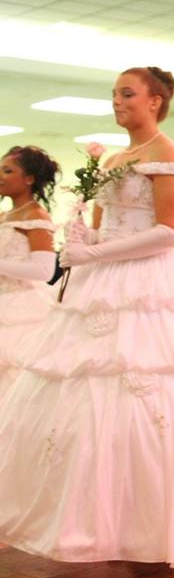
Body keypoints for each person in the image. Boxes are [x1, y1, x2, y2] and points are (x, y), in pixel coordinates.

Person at [0, 66, 174, 570]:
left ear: (156, 101)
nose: (117, 101)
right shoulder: (117, 157)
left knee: (150, 394)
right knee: (82, 393)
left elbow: (168, 232)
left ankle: (151, 524)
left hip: (149, 282)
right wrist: (88, 240)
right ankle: (88, 520)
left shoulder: (169, 154)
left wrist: (98, 255)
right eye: (114, 93)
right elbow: (109, 221)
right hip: (103, 279)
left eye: (127, 93)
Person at [0, 146, 57, 393]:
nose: (0, 175)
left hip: (22, 305)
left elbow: (44, 270)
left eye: (7, 170)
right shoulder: (5, 216)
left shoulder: (36, 216)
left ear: (29, 179)